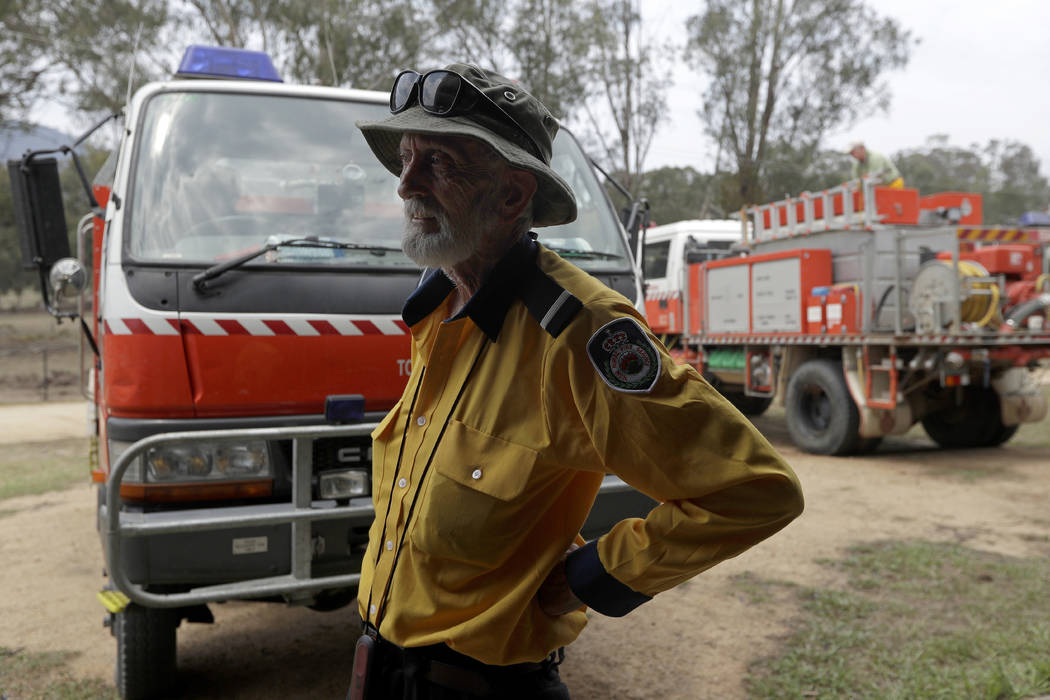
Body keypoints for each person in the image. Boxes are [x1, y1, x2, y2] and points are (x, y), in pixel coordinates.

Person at [348, 63, 804, 700]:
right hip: (385, 673)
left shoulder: (581, 332)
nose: (406, 186)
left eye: (439, 162)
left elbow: (754, 492)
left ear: (511, 196)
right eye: (405, 157)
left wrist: (588, 575)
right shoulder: (440, 307)